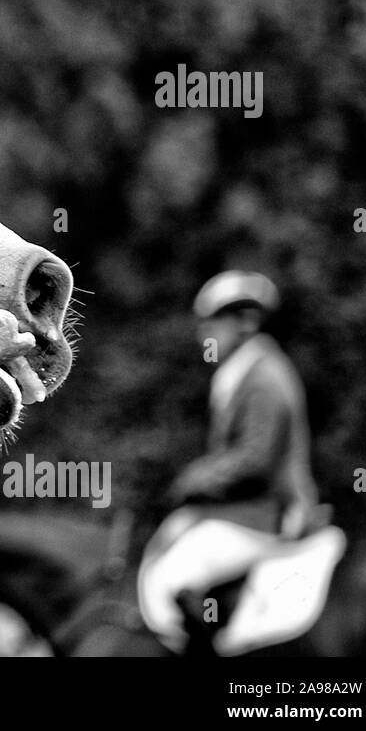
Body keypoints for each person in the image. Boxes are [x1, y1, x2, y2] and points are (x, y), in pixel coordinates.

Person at [139, 270, 322, 653]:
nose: (203, 334)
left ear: (244, 323)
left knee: (172, 580)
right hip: (241, 511)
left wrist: (194, 479)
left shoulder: (264, 378)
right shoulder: (242, 373)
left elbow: (255, 459)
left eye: (213, 323)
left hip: (263, 514)